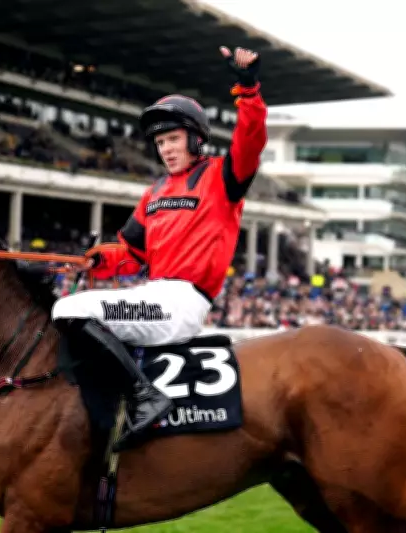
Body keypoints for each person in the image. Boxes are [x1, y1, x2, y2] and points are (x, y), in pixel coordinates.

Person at [51, 46, 268, 447]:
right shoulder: (155, 192)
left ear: (196, 139)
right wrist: (95, 260)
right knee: (74, 309)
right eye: (160, 142)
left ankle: (146, 397)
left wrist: (248, 88)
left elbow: (251, 139)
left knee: (69, 309)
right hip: (153, 294)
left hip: (182, 302)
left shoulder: (222, 176)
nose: (165, 149)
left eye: (173, 139)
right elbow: (130, 253)